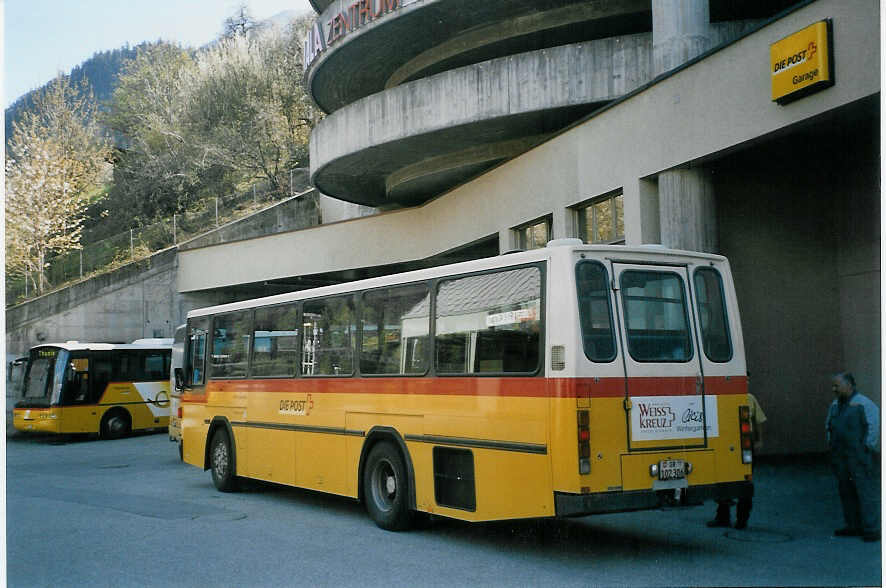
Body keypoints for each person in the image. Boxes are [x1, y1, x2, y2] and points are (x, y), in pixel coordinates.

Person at [826, 372, 880, 542]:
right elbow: (829, 425)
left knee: (866, 491)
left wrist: (867, 447)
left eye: (837, 385)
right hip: (841, 457)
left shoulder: (864, 404)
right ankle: (852, 525)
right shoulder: (835, 405)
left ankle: (872, 528)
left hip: (859, 456)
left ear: (849, 385)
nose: (834, 389)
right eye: (833, 386)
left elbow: (874, 425)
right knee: (846, 491)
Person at [707, 391, 766, 530]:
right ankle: (723, 517)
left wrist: (759, 440)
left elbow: (758, 421)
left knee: (744, 480)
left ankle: (742, 519)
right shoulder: (722, 395)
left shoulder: (750, 398)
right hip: (727, 444)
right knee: (723, 479)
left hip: (744, 444)